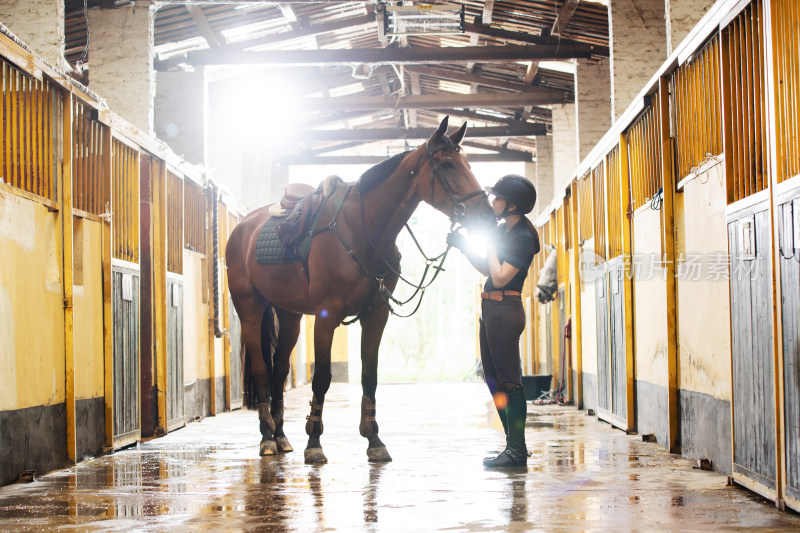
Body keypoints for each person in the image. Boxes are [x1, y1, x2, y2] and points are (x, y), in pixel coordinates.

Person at [447, 174, 539, 468]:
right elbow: (488, 268)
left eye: (497, 198)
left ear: (512, 205)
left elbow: (500, 277)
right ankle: (513, 445)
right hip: (492, 311)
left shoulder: (523, 237)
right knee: (492, 379)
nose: (493, 202)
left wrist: (488, 241)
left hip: (505, 309)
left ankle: (517, 449)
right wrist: (464, 246)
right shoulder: (505, 231)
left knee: (510, 382)